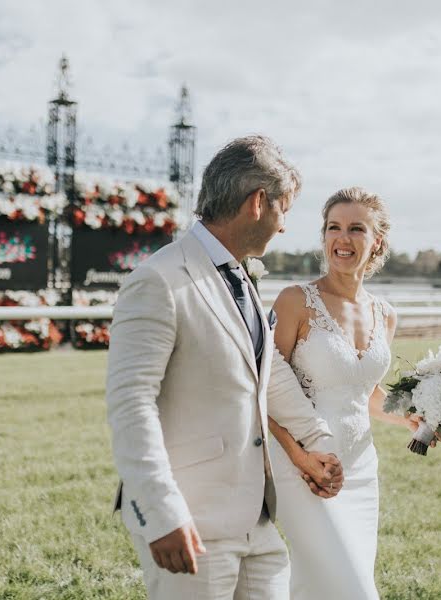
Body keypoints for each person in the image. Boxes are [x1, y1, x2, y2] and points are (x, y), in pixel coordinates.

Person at [106, 135, 344, 599]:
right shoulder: (159, 279)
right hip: (191, 521)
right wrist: (162, 511)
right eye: (285, 209)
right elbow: (131, 404)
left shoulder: (240, 275)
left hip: (257, 519)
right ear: (258, 202)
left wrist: (316, 440)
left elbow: (267, 369)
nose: (284, 227)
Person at [268, 188, 427, 599]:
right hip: (304, 467)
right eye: (333, 227)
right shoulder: (295, 302)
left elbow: (363, 393)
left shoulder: (386, 314)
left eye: (357, 228)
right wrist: (301, 458)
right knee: (352, 589)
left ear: (377, 241)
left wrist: (406, 417)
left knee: (321, 586)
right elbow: (262, 392)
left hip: (360, 470)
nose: (343, 238)